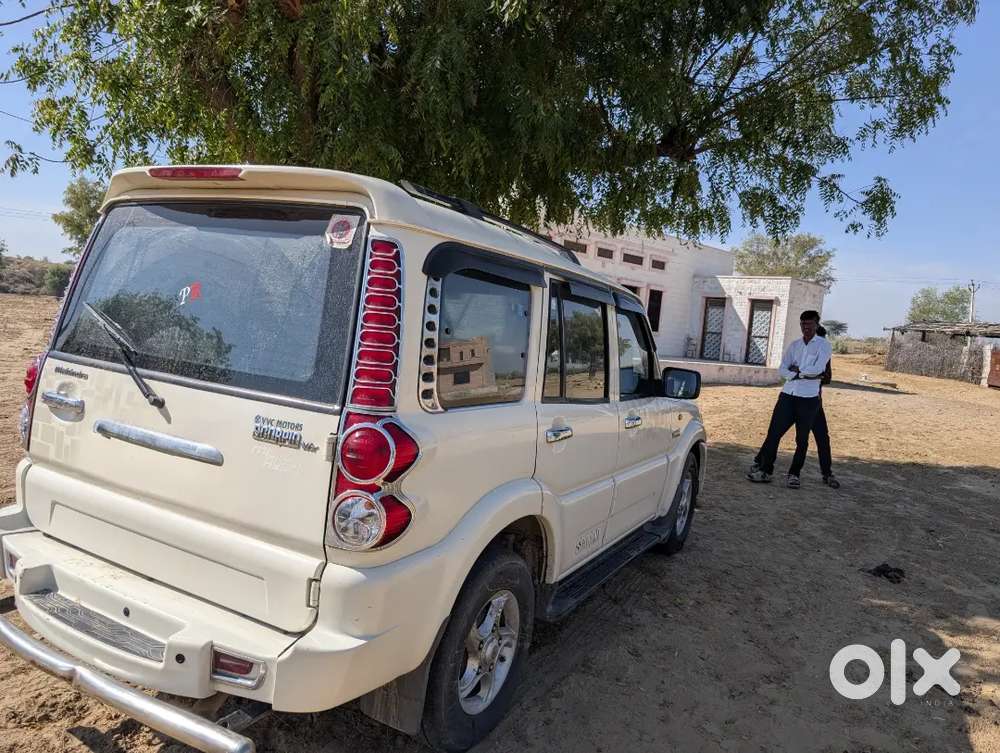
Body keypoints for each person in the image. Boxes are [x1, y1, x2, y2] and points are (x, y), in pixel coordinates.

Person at [747, 310, 832, 488]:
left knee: (802, 440)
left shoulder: (823, 346)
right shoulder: (794, 345)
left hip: (809, 399)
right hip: (787, 395)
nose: (805, 328)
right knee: (773, 434)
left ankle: (794, 474)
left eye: (809, 324)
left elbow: (818, 370)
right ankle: (765, 470)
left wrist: (797, 372)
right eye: (803, 324)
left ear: (816, 325)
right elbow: (783, 369)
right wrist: (801, 373)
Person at [811, 325, 840, 489]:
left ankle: (827, 473)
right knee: (775, 434)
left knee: (823, 438)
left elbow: (827, 378)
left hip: (814, 403)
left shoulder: (824, 356)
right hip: (794, 401)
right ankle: (762, 465)